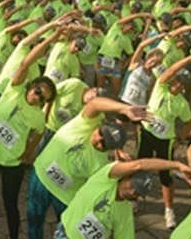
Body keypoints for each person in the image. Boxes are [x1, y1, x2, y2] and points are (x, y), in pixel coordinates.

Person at [0, 28, 62, 239]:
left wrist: (28, 153)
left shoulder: (38, 115)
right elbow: (26, 62)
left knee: (10, 204)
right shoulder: (14, 89)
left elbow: (39, 133)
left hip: (13, 164)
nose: (37, 98)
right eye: (38, 92)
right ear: (32, 86)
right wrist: (52, 38)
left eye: (42, 99)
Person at [28, 96, 146, 238]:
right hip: (41, 177)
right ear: (101, 126)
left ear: (109, 149)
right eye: (101, 133)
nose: (98, 139)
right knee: (34, 223)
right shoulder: (84, 124)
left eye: (104, 143)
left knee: (66, 229)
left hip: (64, 196)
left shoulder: (101, 165)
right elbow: (95, 104)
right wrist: (125, 108)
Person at [137, 53, 191, 229]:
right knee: (139, 167)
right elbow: (169, 70)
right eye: (177, 81)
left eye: (182, 84)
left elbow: (189, 122)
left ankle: (169, 211)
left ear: (185, 87)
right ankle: (133, 198)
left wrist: (180, 139)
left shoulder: (182, 104)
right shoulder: (160, 86)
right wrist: (190, 58)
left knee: (165, 176)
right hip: (146, 134)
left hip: (164, 141)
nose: (178, 85)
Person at [54, 158, 191, 239]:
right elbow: (139, 164)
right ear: (126, 176)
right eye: (133, 184)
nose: (132, 191)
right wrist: (176, 165)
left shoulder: (125, 213)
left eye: (137, 193)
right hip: (64, 234)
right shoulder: (104, 179)